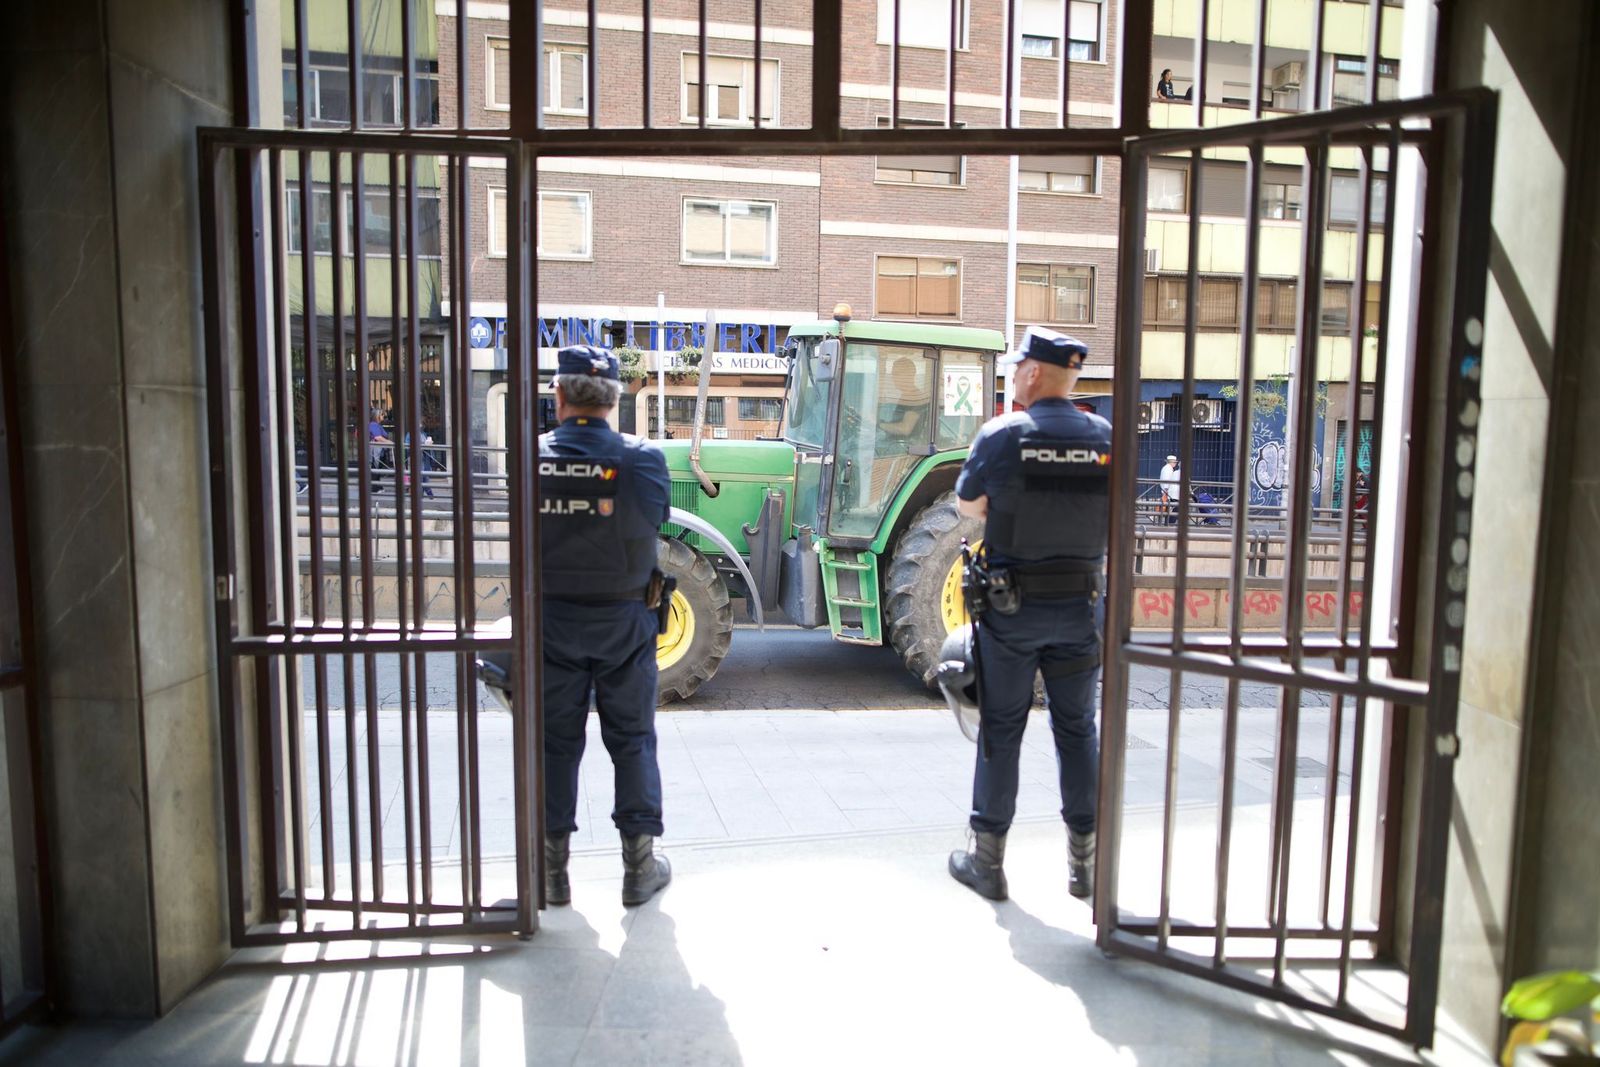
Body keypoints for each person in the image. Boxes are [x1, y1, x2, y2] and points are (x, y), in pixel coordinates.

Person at [948, 326, 1111, 902]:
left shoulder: (1002, 435)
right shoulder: (1106, 438)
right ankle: (1086, 868)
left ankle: (987, 865)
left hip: (1012, 610)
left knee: (1002, 731)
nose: (1013, 373)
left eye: (1018, 366)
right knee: (1077, 732)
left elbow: (969, 507)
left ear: (1034, 373)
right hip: (1080, 611)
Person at [539, 344, 673, 908]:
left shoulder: (531, 455)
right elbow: (656, 519)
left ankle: (551, 875)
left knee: (553, 745)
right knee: (632, 740)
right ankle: (638, 870)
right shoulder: (643, 458)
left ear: (559, 395)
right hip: (624, 621)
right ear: (615, 401)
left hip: (551, 619)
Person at [1159, 454, 1181, 524]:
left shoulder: (1167, 468)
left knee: (1169, 509)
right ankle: (1169, 523)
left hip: (1167, 492)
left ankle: (1168, 523)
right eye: (1175, 462)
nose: (1175, 464)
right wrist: (1167, 491)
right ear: (1171, 462)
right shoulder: (1168, 469)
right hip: (1168, 492)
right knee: (1173, 508)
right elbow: (1167, 481)